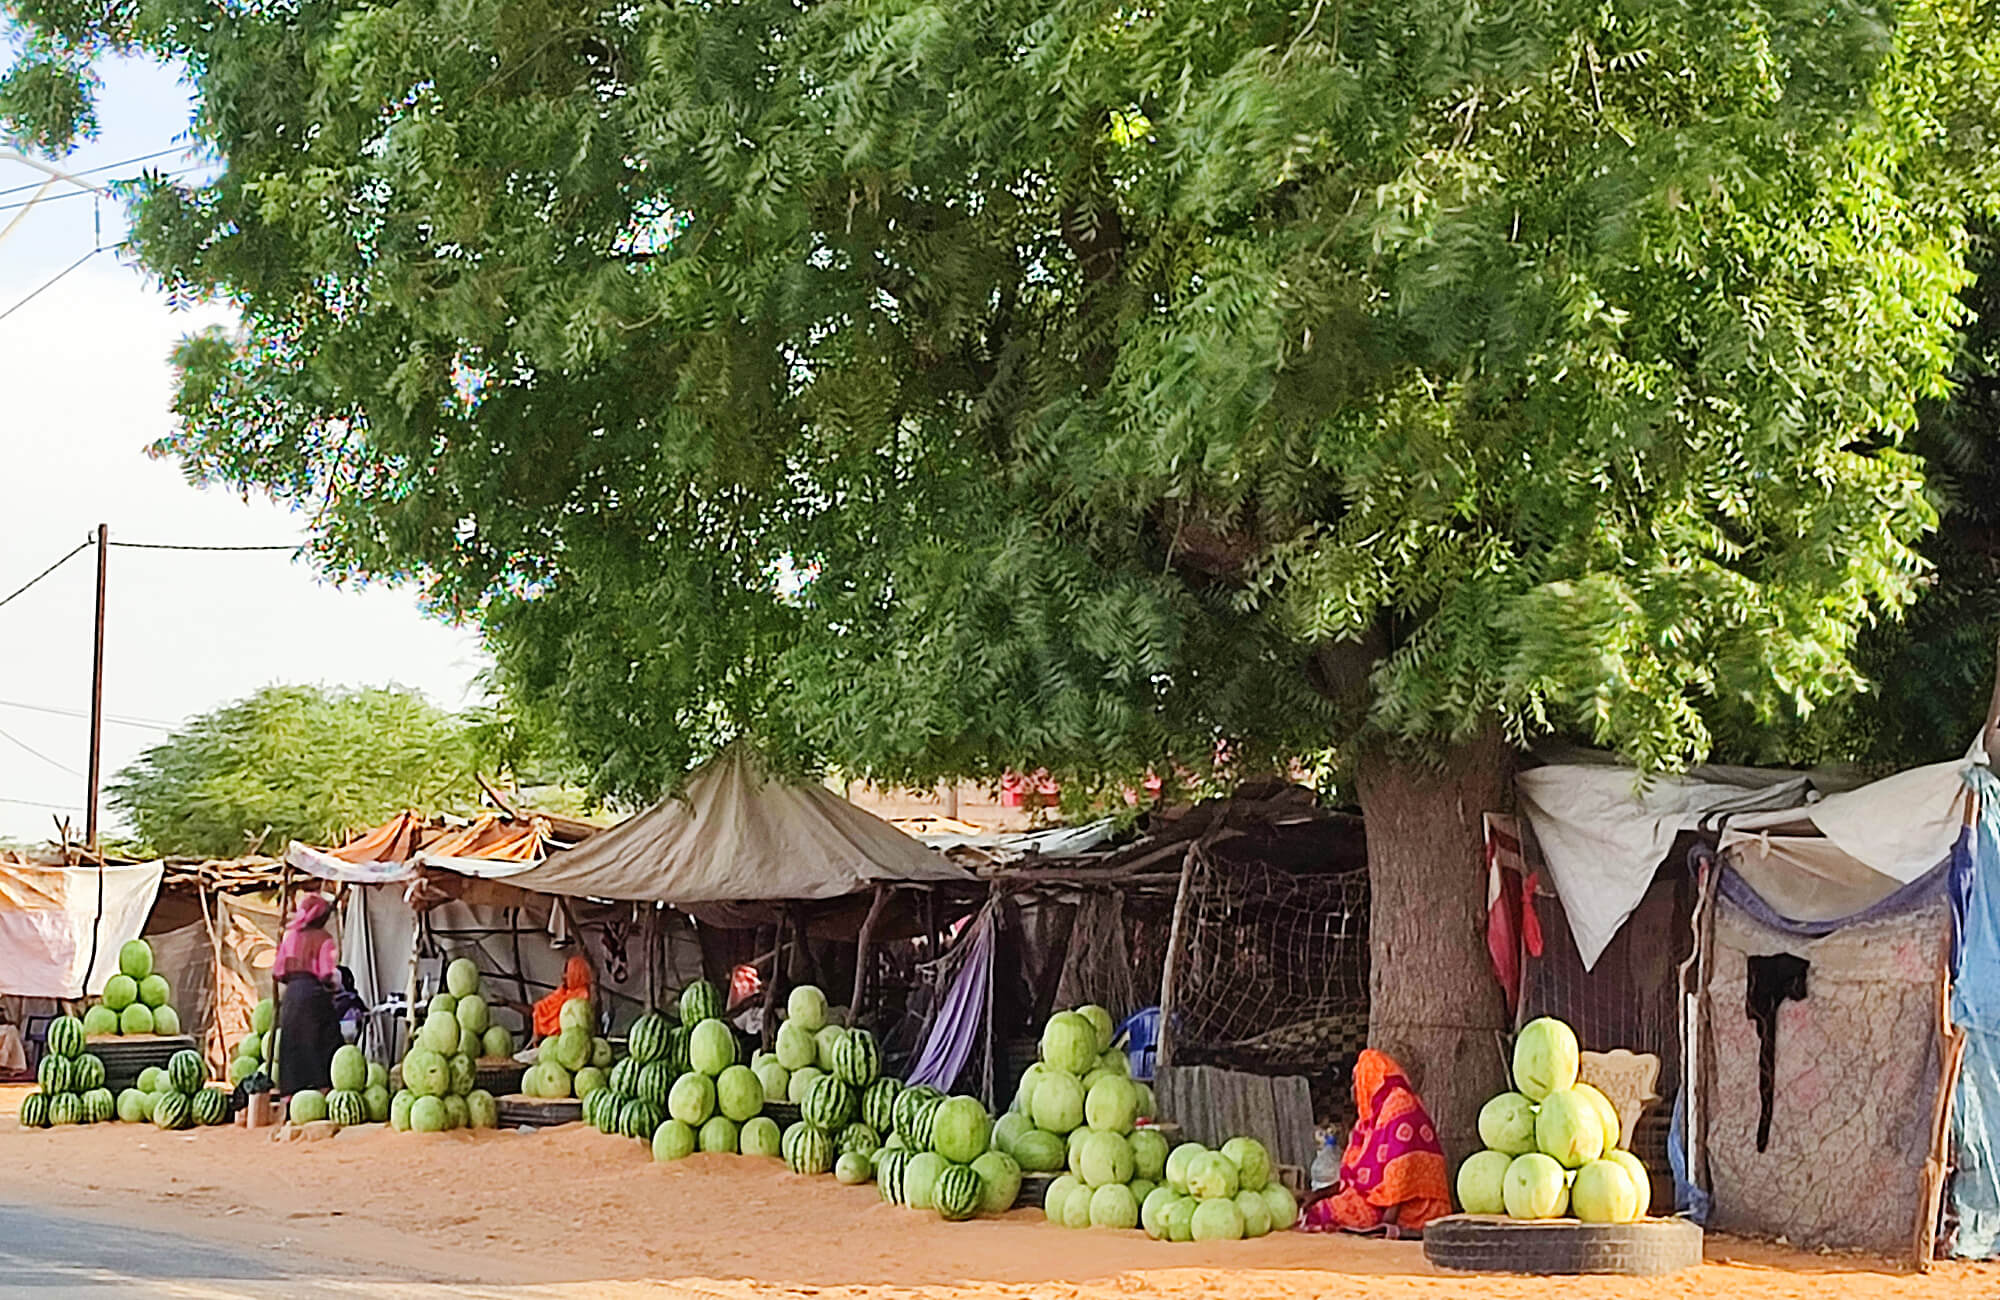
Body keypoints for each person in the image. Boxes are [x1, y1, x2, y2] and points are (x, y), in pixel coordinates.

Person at [1300, 1048, 1452, 1237]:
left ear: (1369, 1079)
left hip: (1410, 1211)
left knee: (1324, 1215)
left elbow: (1399, 1174)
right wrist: (1317, 1194)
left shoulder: (1400, 1107)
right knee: (1319, 1209)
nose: (1353, 1089)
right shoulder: (1373, 1117)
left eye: (1356, 1081)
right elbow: (1356, 1179)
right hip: (1378, 1201)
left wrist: (1385, 1228)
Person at [273, 894, 343, 1096]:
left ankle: (291, 1095)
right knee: (323, 1043)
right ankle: (323, 1090)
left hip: (292, 996)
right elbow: (326, 973)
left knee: (293, 1045)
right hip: (314, 997)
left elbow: (278, 972)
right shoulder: (324, 939)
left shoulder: (291, 937)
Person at [532, 954, 595, 1039]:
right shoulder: (563, 991)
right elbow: (541, 1007)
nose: (563, 976)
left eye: (567, 972)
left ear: (576, 974)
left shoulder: (581, 997)